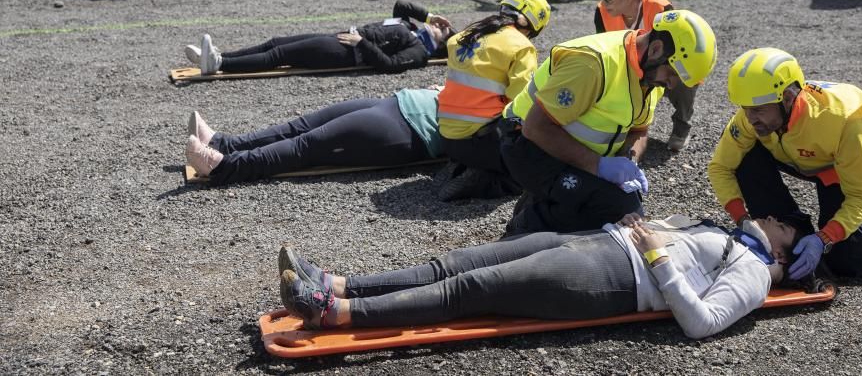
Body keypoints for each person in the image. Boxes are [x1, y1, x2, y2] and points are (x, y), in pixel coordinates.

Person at [276, 209, 812, 340]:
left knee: (469, 289)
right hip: (598, 243)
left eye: (785, 227)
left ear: (786, 257)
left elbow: (702, 322)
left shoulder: (755, 271)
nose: (773, 219)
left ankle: (337, 314)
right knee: (455, 263)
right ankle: (340, 283)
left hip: (609, 278)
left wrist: (658, 257)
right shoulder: (732, 236)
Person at [501, 10, 718, 235]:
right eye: (672, 74)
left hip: (567, 148)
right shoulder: (591, 64)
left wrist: (628, 161)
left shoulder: (650, 76)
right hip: (525, 143)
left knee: (627, 204)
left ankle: (544, 200)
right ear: (655, 50)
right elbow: (536, 128)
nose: (671, 86)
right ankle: (522, 230)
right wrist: (599, 166)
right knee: (616, 210)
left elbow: (640, 130)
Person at [708, 47, 862, 278]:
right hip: (807, 158)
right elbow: (721, 167)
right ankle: (793, 227)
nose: (749, 118)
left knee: (847, 261)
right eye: (744, 109)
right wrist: (743, 220)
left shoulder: (842, 120)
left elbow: (860, 197)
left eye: (757, 110)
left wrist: (823, 238)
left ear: (787, 98)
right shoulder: (758, 111)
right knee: (740, 155)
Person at [183, 89, 444, 186]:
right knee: (302, 125)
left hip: (411, 129)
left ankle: (223, 167)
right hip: (400, 101)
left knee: (307, 146)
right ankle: (225, 144)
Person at [434, 0, 550, 201]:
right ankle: (484, 180)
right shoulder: (521, 47)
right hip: (483, 143)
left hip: (447, 137)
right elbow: (523, 103)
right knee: (537, 164)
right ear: (530, 25)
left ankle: (461, 166)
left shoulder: (464, 36)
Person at [594, 0, 700, 152]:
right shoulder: (601, 12)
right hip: (629, 66)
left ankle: (681, 126)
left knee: (683, 75)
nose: (603, 2)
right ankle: (624, 126)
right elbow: (603, 48)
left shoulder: (661, 8)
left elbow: (676, 53)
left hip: (660, 66)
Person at [191, 1, 453, 76]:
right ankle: (221, 55)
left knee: (280, 56)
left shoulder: (419, 51)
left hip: (347, 52)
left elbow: (390, 65)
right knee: (275, 42)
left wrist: (361, 43)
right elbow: (401, 5)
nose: (438, 26)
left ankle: (218, 64)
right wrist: (430, 16)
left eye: (442, 29)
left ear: (441, 44)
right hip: (342, 38)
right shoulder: (412, 26)